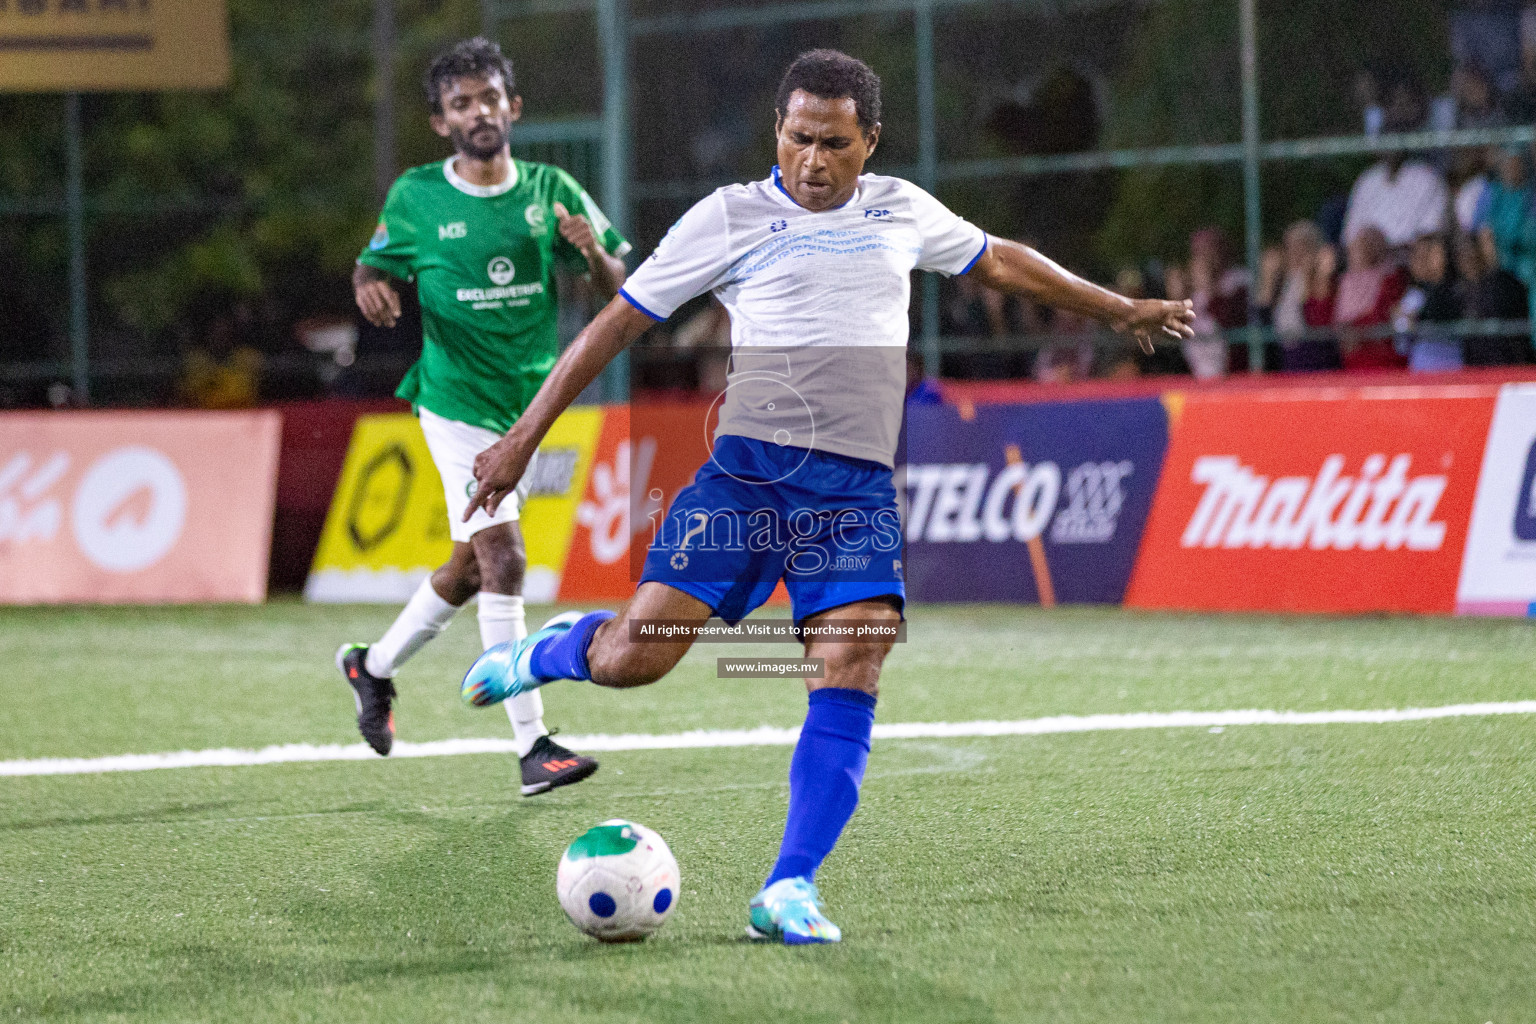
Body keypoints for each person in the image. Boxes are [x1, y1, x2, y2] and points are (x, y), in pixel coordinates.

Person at [456, 50, 1194, 943]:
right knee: (631, 661)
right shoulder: (728, 217)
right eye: (799, 138)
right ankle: (555, 651)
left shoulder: (901, 209)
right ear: (778, 131)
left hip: (853, 494)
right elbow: (618, 324)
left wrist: (1119, 309)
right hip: (747, 478)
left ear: (868, 142)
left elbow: (999, 263)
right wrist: (524, 436)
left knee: (851, 668)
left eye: (835, 143)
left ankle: (789, 886)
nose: (813, 159)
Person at [340, 38, 630, 795]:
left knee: (470, 570)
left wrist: (593, 253)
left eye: (489, 99)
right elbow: (374, 262)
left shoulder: (551, 187)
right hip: (454, 404)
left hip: (528, 413)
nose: (478, 113)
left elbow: (617, 290)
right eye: (461, 104)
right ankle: (536, 748)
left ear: (514, 108)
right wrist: (367, 282)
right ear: (442, 123)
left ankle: (370, 668)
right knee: (504, 559)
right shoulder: (417, 197)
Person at [1342, 78, 1448, 250]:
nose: (1389, 148)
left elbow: (1431, 230)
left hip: (1407, 258)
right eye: (1384, 140)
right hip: (1368, 259)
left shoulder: (1426, 177)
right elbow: (1350, 234)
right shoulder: (1367, 181)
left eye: (1394, 140)